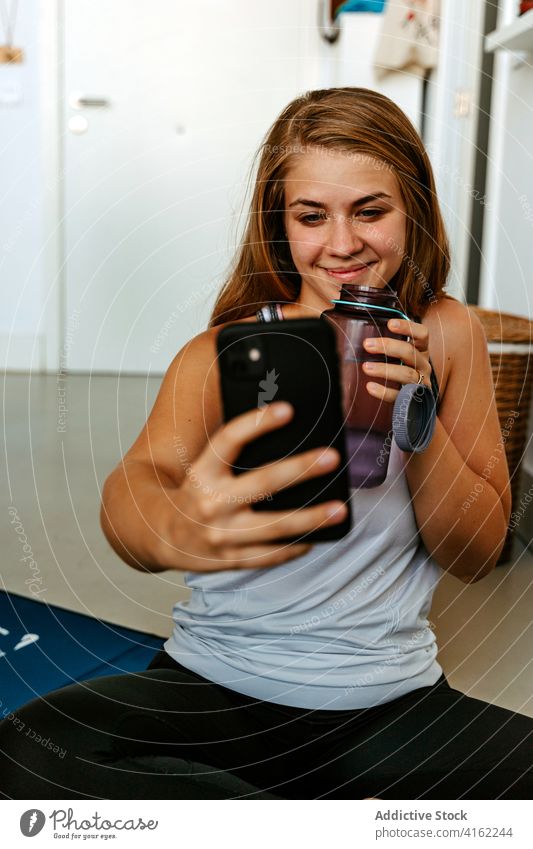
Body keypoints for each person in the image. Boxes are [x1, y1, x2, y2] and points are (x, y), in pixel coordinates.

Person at [1, 87, 531, 800]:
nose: (341, 244)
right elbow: (136, 492)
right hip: (214, 688)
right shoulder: (223, 351)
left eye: (370, 210)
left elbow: (473, 555)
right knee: (30, 751)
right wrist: (169, 525)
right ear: (278, 224)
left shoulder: (449, 333)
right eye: (311, 216)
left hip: (387, 706)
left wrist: (419, 412)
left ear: (413, 208)